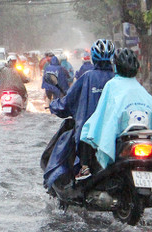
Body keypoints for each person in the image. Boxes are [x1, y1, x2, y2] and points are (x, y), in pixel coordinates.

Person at [79, 48, 152, 179]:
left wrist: (89, 130)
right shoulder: (141, 90)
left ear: (116, 67)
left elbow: (101, 115)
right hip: (142, 138)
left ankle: (85, 169)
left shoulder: (111, 86)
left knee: (86, 131)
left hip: (123, 140)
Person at [47, 39, 115, 183]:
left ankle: (84, 167)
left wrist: (54, 105)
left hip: (90, 136)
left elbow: (67, 102)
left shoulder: (88, 77)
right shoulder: (117, 79)